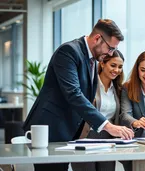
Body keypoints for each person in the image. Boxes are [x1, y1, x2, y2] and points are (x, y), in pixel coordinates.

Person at [23, 19, 134, 171]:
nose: (111, 53)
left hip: (68, 131)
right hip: (51, 129)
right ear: (97, 38)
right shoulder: (69, 51)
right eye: (110, 49)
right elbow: (73, 94)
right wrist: (107, 126)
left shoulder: (92, 59)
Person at [72, 50, 125, 171]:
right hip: (85, 137)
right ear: (102, 63)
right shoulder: (88, 84)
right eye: (113, 65)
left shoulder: (118, 89)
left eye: (120, 67)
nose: (116, 70)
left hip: (107, 139)